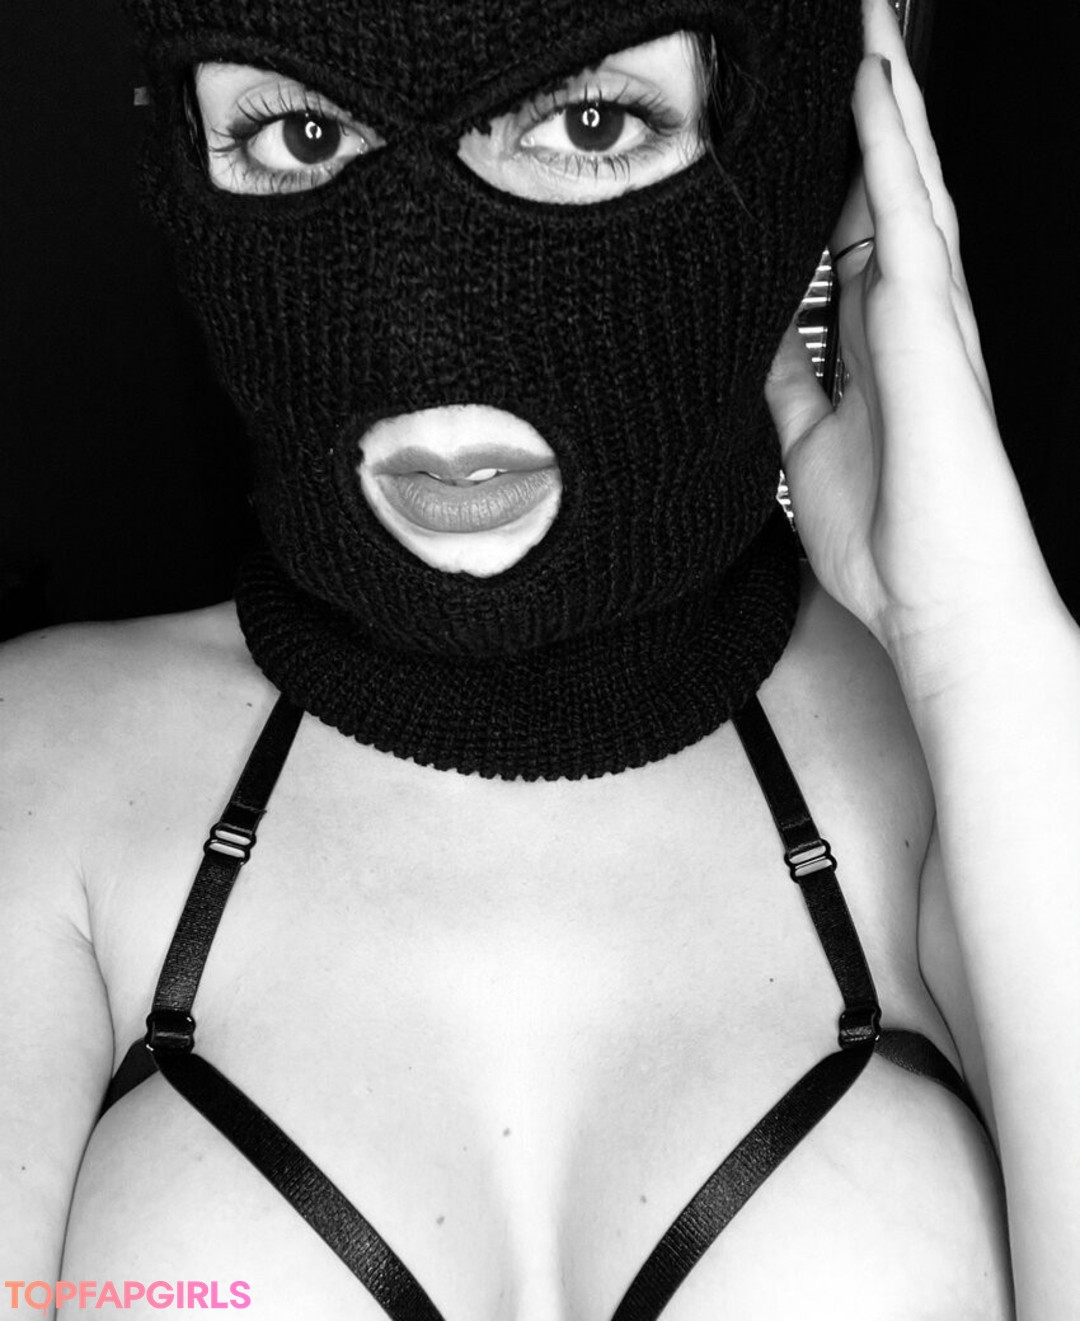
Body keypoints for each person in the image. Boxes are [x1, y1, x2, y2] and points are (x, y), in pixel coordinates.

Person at [1, 0, 1076, 1316]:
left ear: (806, 139)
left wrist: (978, 642)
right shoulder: (35, 778)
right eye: (302, 132)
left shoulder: (980, 773)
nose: (429, 325)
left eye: (591, 123)